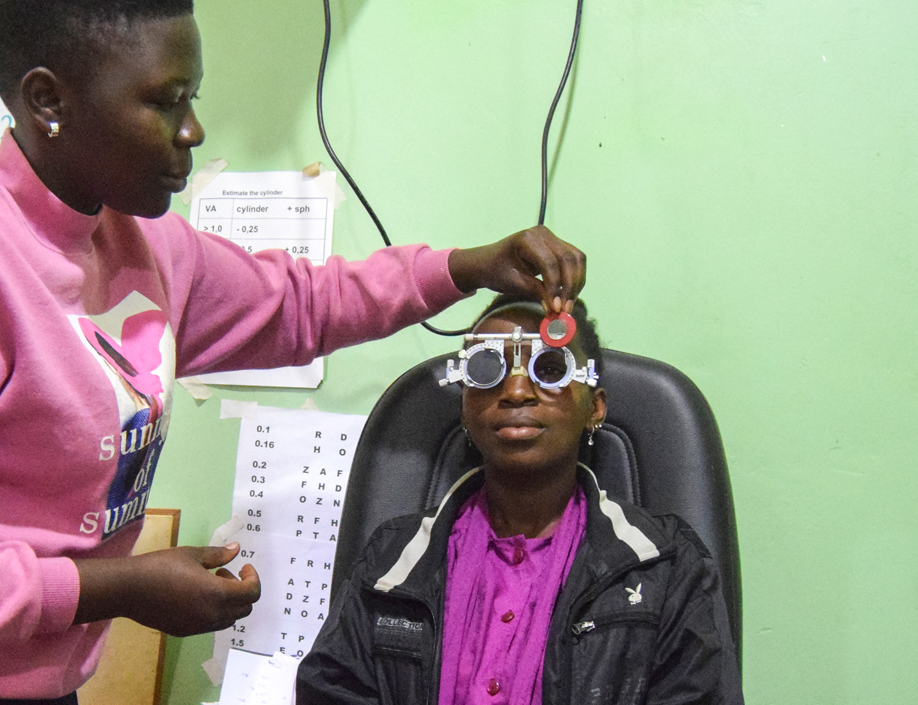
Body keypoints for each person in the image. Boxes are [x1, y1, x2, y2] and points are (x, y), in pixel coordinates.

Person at [0, 0, 589, 704]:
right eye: (164, 103)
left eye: (190, 98)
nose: (192, 130)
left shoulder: (139, 240)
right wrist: (113, 587)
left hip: (39, 682)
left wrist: (464, 269)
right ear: (48, 99)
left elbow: (302, 306)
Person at [296, 297, 744, 704]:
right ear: (465, 404)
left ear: (595, 408)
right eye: (487, 369)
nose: (515, 392)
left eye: (549, 368)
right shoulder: (392, 560)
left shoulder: (666, 568)